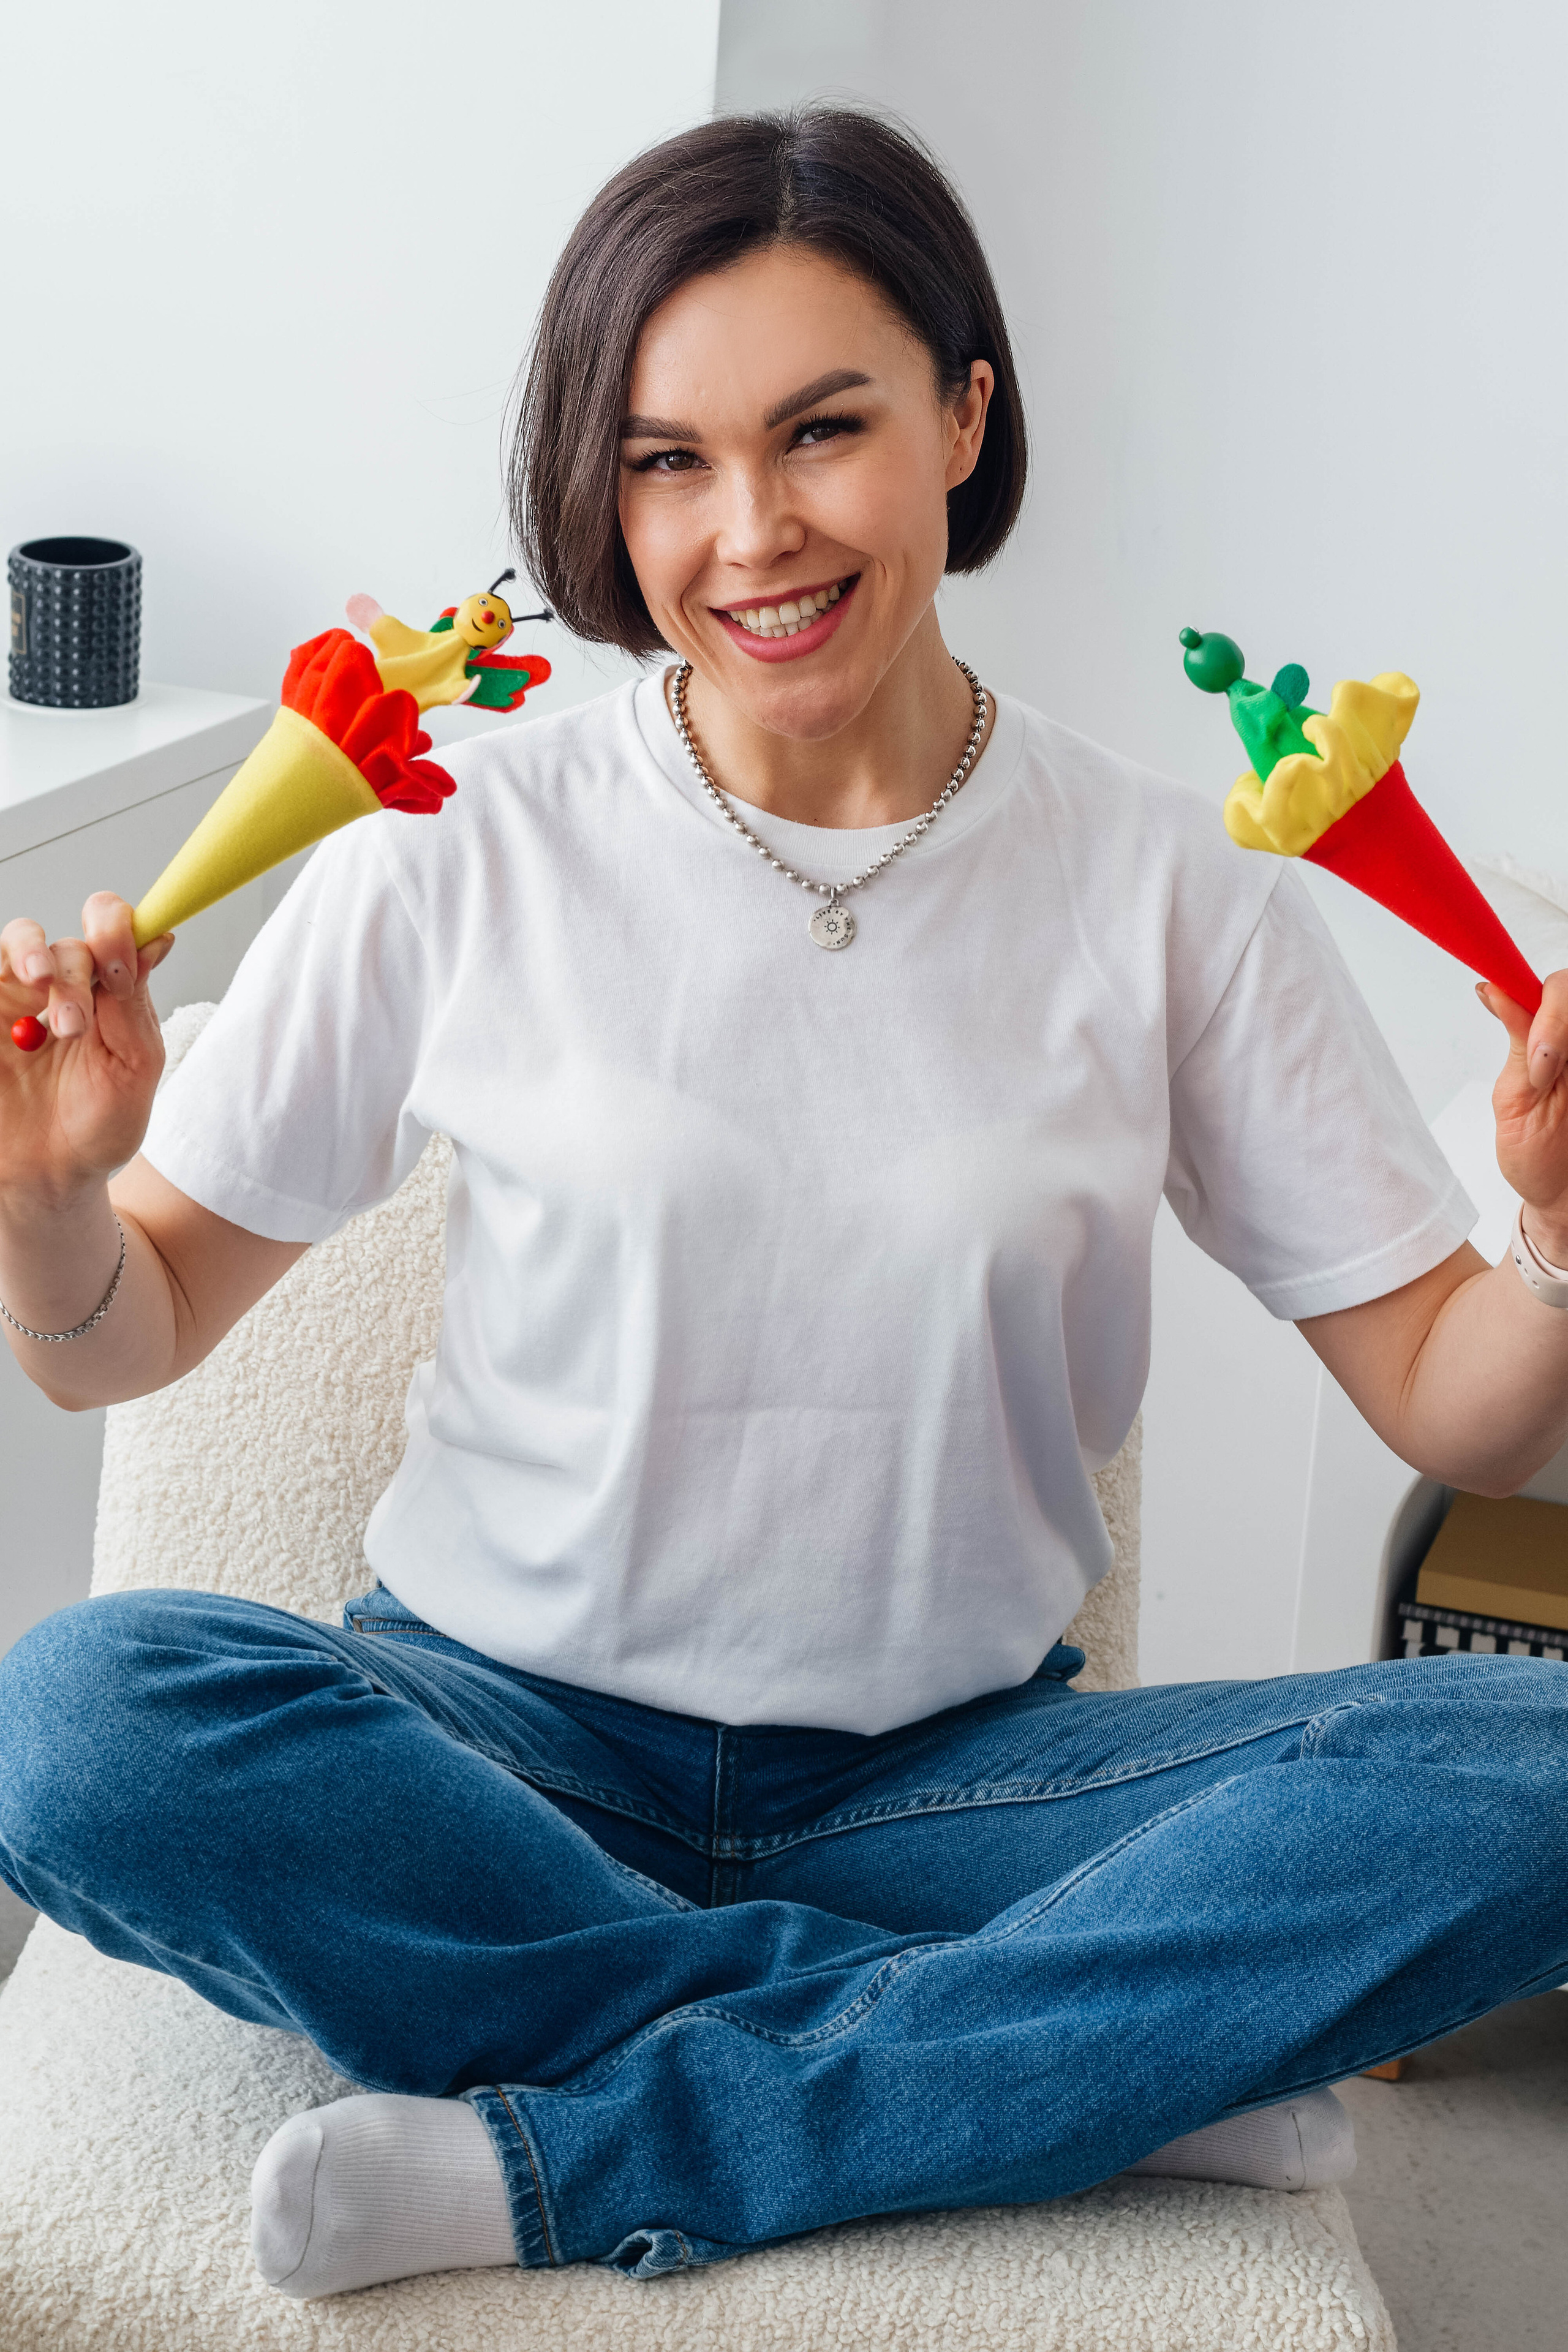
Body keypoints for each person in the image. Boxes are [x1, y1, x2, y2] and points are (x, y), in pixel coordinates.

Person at [1, 107, 1565, 2303]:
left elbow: (1449, 1403)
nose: (751, 533)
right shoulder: (459, 832)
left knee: (1545, 1763)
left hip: (964, 1788)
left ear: (962, 418)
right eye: (666, 463)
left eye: (822, 431)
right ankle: (1066, 2069)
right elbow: (124, 1332)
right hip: (491, 1748)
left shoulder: (1163, 886)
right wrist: (44, 1206)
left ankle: (626, 2135)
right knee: (78, 1718)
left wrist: (1558, 1234)